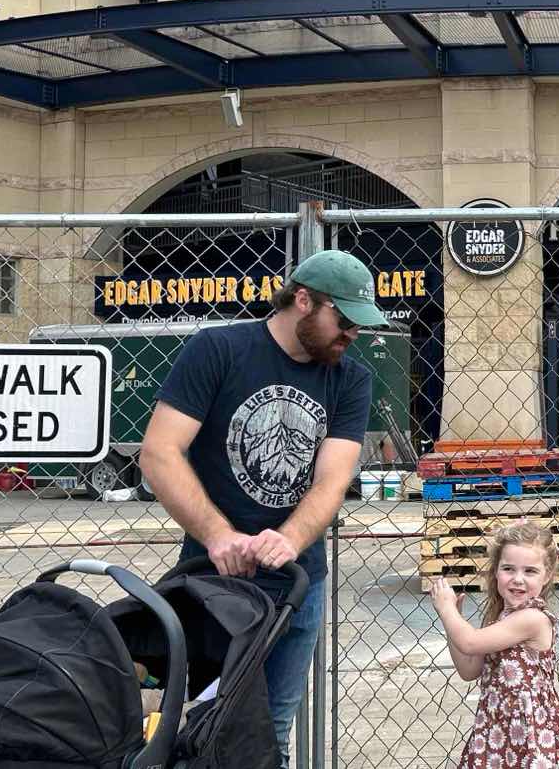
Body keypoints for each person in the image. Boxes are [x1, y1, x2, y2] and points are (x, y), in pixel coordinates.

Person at [138, 249, 385, 768]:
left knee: (273, 727)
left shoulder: (350, 378)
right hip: (214, 582)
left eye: (359, 327)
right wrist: (217, 535)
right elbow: (160, 451)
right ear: (302, 300)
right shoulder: (219, 350)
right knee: (206, 726)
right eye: (344, 322)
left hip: (298, 585)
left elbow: (332, 480)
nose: (351, 336)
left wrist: (290, 540)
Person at [426, 521, 559, 769]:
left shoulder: (533, 619)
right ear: (496, 571)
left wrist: (447, 609)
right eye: (508, 569)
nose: (518, 579)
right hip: (496, 729)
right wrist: (451, 622)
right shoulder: (503, 617)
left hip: (526, 734)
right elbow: (469, 669)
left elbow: (471, 641)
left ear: (547, 575)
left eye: (530, 571)